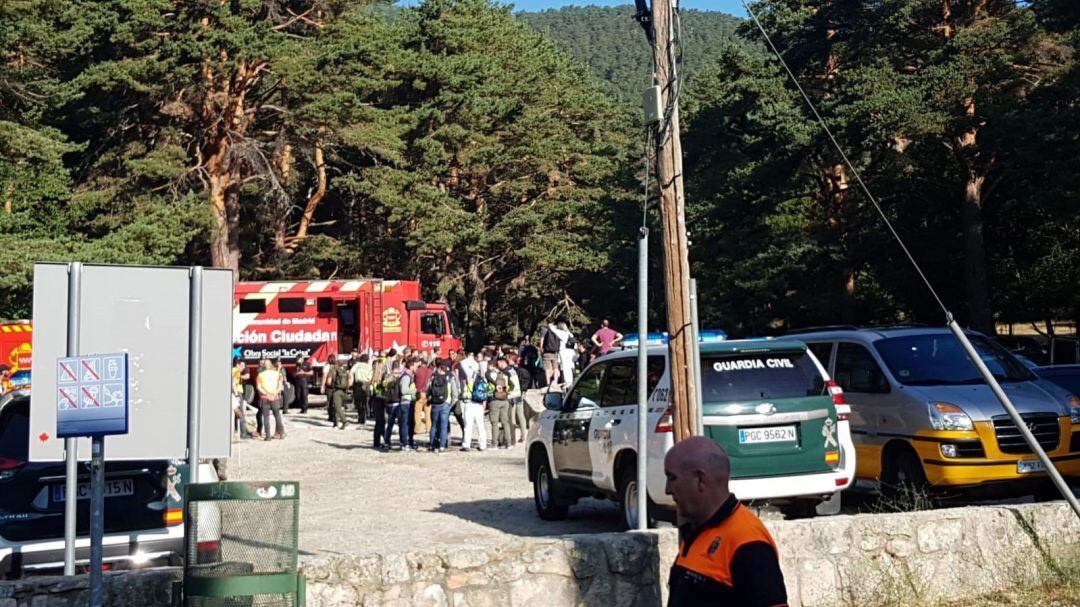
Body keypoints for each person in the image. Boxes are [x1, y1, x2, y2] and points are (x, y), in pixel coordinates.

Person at [665, 437, 788, 607]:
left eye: (672, 478)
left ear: (700, 479)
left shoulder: (748, 541)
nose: (667, 489)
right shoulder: (695, 528)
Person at [426, 362, 456, 452]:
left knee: (433, 425)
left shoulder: (432, 378)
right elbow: (455, 393)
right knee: (444, 426)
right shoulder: (449, 379)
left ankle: (432, 445)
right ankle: (442, 446)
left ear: (438, 369)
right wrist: (451, 403)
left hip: (435, 404)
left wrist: (430, 400)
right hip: (446, 404)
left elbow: (428, 391)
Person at [486, 358, 512, 449]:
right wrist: (506, 392)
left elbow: (487, 376)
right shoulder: (505, 374)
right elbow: (512, 385)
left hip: (494, 400)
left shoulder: (490, 374)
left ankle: (494, 443)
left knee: (494, 423)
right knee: (505, 422)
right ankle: (508, 443)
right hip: (505, 401)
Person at [256, 359, 285, 440]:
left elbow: (258, 387)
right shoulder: (278, 374)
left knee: (266, 417)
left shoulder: (260, 375)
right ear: (271, 365)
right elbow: (280, 386)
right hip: (275, 397)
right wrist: (275, 393)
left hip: (265, 398)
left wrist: (266, 393)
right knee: (277, 415)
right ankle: (282, 433)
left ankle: (268, 436)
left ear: (264, 366)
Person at [461, 363, 487, 451]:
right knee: (481, 426)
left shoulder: (470, 379)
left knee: (468, 425)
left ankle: (466, 445)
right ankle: (483, 445)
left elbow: (463, 363)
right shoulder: (483, 379)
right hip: (479, 404)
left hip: (470, 403)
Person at [506, 355, 527, 444]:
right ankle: (523, 435)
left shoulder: (510, 370)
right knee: (521, 415)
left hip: (512, 394)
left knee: (512, 416)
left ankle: (512, 435)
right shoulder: (522, 370)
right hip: (520, 393)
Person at [325, 357, 351, 429]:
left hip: (336, 390)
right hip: (344, 391)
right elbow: (350, 382)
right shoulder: (345, 371)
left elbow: (328, 382)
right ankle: (336, 423)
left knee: (336, 407)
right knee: (338, 406)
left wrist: (332, 386)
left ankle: (344, 421)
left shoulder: (332, 371)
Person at [412, 356, 434, 436]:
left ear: (420, 363)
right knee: (428, 413)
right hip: (427, 394)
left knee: (417, 412)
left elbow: (414, 380)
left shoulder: (417, 371)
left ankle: (417, 429)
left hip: (419, 393)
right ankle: (428, 428)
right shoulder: (430, 371)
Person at [231, 359, 252, 439]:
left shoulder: (232, 370)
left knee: (237, 414)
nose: (243, 368)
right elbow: (233, 383)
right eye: (242, 366)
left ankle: (238, 430)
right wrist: (236, 394)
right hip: (238, 393)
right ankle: (243, 433)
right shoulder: (236, 371)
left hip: (235, 393)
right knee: (241, 414)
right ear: (238, 364)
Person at [350, 354, 373, 425]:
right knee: (365, 401)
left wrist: (351, 380)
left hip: (358, 384)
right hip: (367, 384)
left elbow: (351, 372)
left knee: (358, 401)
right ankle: (365, 415)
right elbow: (371, 376)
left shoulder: (357, 365)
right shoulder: (369, 367)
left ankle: (361, 416)